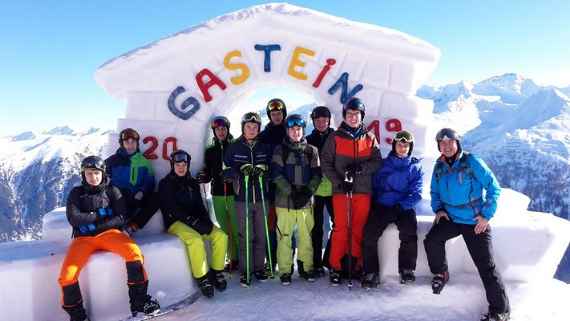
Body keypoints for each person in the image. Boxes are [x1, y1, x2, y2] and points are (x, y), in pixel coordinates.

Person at [58, 156, 160, 321]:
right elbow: (74, 219)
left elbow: (121, 217)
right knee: (67, 276)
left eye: (97, 173)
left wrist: (92, 224)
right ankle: (78, 317)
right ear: (83, 175)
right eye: (89, 173)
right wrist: (101, 214)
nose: (93, 177)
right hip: (83, 240)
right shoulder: (76, 193)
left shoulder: (113, 190)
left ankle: (139, 302)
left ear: (103, 173)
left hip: (109, 235)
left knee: (134, 254)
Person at [424, 128, 510, 321]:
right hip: (451, 218)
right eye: (442, 144)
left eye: (450, 142)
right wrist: (438, 210)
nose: (446, 147)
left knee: (486, 267)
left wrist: (486, 215)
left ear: (457, 143)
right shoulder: (439, 166)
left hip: (474, 220)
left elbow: (493, 187)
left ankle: (500, 311)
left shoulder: (471, 162)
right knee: (432, 240)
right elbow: (434, 192)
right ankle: (441, 273)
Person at [321, 97, 382, 286]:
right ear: (345, 116)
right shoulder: (335, 137)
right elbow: (326, 163)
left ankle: (355, 265)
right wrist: (339, 183)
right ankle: (336, 266)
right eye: (349, 114)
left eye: (356, 114)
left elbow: (377, 161)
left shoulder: (369, 137)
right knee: (340, 228)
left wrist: (360, 169)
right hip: (342, 191)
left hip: (363, 191)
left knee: (358, 229)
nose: (353, 118)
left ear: (362, 116)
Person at [158, 150, 228, 298]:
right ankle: (202, 277)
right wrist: (195, 223)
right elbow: (173, 210)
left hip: (195, 221)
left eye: (184, 164)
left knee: (221, 236)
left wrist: (207, 222)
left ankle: (217, 271)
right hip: (175, 222)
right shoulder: (166, 184)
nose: (181, 167)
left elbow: (200, 206)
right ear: (172, 165)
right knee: (195, 240)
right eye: (178, 164)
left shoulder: (192, 183)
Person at [361, 130, 423, 289]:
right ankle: (371, 272)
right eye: (400, 145)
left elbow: (417, 193)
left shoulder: (415, 167)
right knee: (369, 234)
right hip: (383, 205)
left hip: (403, 206)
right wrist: (375, 202)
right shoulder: (382, 164)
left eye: (406, 146)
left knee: (409, 232)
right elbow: (373, 185)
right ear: (394, 146)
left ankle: (406, 269)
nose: (403, 148)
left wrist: (402, 205)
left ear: (410, 148)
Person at [271, 114, 322, 285]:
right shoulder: (280, 150)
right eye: (292, 129)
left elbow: (317, 175)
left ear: (303, 130)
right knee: (284, 236)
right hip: (285, 202)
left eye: (298, 129)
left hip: (305, 203)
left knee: (306, 236)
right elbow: (276, 174)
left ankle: (306, 267)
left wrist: (307, 193)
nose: (295, 132)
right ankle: (285, 270)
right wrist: (292, 192)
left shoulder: (311, 151)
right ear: (287, 131)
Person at [224, 112, 273, 287]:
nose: (251, 130)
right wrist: (239, 171)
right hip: (242, 198)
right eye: (248, 127)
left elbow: (274, 168)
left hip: (261, 198)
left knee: (260, 234)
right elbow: (225, 171)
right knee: (245, 235)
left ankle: (259, 268)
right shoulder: (234, 147)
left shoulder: (264, 147)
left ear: (259, 129)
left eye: (255, 127)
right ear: (243, 128)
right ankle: (246, 271)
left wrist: (264, 169)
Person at [198, 116, 239, 270]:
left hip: (234, 193)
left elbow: (240, 168)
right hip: (217, 194)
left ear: (228, 130)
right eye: (218, 129)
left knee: (236, 227)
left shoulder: (235, 147)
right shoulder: (210, 151)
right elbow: (208, 172)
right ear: (214, 131)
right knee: (224, 228)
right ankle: (232, 258)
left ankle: (242, 258)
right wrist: (204, 176)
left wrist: (233, 174)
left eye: (223, 129)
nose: (221, 132)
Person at [105, 128, 156, 234]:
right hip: (118, 198)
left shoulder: (144, 161)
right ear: (122, 144)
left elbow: (150, 181)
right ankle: (116, 228)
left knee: (156, 198)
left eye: (133, 142)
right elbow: (101, 181)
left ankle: (133, 226)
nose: (130, 145)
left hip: (136, 197)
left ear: (137, 143)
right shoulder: (111, 161)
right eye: (127, 142)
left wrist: (142, 192)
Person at [259, 98, 288, 273]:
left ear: (283, 114)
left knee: (286, 225)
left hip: (286, 185)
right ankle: (271, 260)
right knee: (270, 224)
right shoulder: (264, 135)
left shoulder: (290, 132)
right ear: (270, 116)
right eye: (273, 114)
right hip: (269, 185)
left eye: (279, 113)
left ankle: (286, 261)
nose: (276, 116)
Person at [306, 106, 335, 276]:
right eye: (318, 120)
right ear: (313, 121)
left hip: (333, 189)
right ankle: (316, 263)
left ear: (329, 120)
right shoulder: (308, 139)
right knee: (316, 228)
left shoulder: (337, 137)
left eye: (324, 120)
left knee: (338, 226)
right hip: (315, 190)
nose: (321, 123)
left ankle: (330, 259)